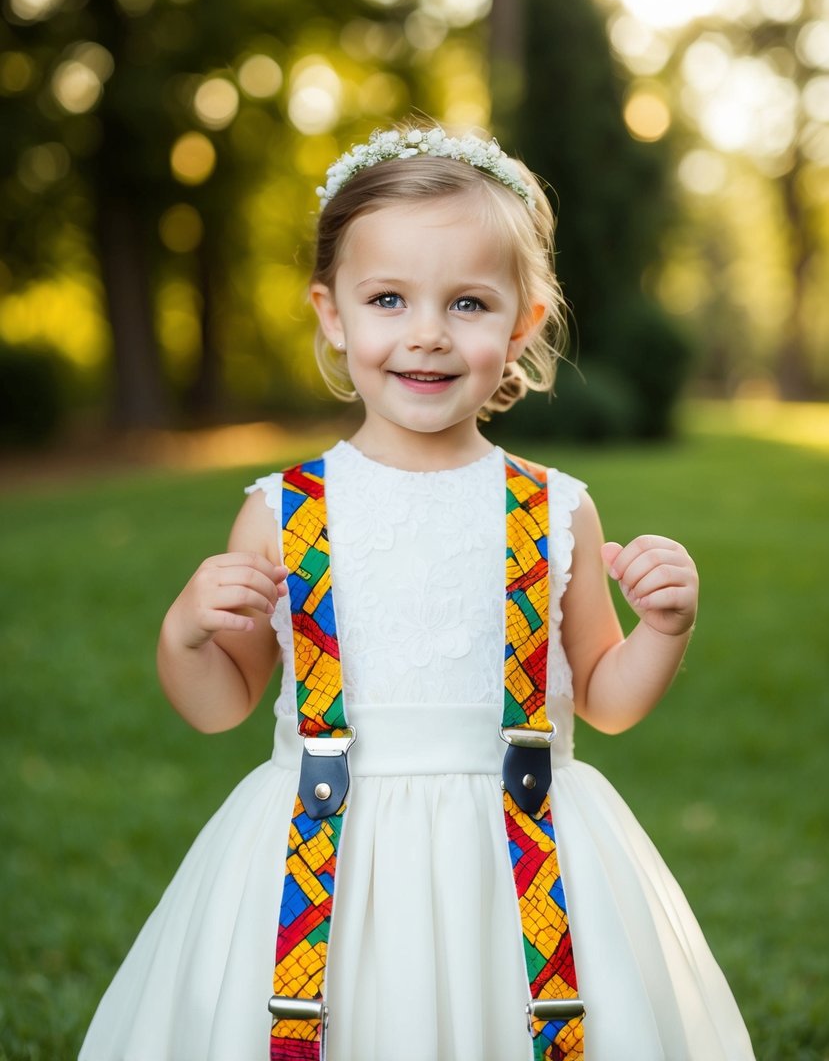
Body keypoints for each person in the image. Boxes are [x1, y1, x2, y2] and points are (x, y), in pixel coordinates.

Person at [79, 122, 755, 1061]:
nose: (427, 334)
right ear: (332, 313)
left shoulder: (555, 509)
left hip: (519, 867)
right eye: (388, 299)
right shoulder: (286, 512)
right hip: (329, 870)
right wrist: (186, 632)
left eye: (469, 303)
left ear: (522, 319)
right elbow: (216, 705)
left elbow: (605, 698)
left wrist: (664, 630)